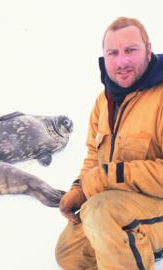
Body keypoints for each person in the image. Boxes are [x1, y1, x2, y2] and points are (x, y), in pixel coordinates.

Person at [55, 17, 163, 270]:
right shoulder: (104, 102)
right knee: (70, 254)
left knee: (102, 214)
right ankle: (137, 245)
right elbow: (95, 155)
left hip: (153, 202)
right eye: (113, 53)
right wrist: (79, 189)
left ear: (148, 50)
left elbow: (105, 174)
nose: (122, 61)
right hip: (125, 204)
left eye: (131, 50)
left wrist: (109, 176)